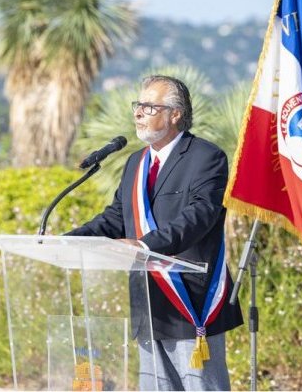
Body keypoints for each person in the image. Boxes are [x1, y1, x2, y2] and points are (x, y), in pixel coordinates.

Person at [66, 74, 243, 391]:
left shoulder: (206, 157)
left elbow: (199, 216)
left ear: (175, 114)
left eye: (148, 106)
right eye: (138, 105)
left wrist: (144, 245)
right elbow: (117, 217)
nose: (137, 113)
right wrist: (71, 240)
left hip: (190, 299)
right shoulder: (136, 162)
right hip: (148, 301)